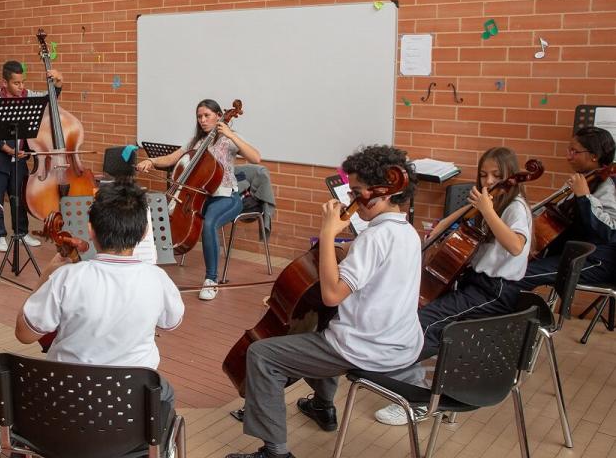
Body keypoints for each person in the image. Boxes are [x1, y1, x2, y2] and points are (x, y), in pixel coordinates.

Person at [226, 145, 421, 458]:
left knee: (262, 355)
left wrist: (327, 234)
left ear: (382, 192)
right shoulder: (408, 232)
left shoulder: (374, 237)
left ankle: (274, 451)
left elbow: (333, 293)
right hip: (400, 343)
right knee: (324, 321)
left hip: (368, 350)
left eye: (356, 191)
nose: (352, 200)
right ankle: (321, 405)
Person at [15, 180, 184, 455]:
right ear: (143, 233)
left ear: (90, 230)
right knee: (165, 393)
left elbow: (24, 334)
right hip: (129, 414)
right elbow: (172, 322)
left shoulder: (65, 279)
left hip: (63, 410)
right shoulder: (158, 279)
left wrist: (46, 277)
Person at [375, 147, 532, 425]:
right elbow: (459, 219)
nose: (488, 181)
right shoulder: (492, 201)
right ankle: (419, 386)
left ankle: (419, 401)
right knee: (413, 315)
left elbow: (516, 245)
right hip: (474, 284)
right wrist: (446, 225)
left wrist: (487, 211)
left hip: (493, 292)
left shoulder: (515, 207)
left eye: (497, 175)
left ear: (511, 176)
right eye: (483, 174)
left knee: (420, 324)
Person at [136, 98, 261, 300]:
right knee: (158, 214)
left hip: (227, 197)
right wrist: (151, 161)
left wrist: (230, 134)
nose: (203, 120)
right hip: (199, 198)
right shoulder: (196, 142)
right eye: (199, 116)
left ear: (219, 116)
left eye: (207, 116)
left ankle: (211, 280)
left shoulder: (229, 139)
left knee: (209, 223)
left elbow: (256, 158)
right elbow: (171, 158)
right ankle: (147, 268)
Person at [515, 126, 616, 290]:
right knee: (510, 268)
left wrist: (584, 197)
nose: (568, 156)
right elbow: (552, 216)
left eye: (574, 151)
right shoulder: (581, 180)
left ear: (594, 156)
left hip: (596, 259)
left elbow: (608, 232)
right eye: (569, 150)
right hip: (570, 254)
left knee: (520, 274)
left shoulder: (609, 185)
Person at [0, 60, 62, 252]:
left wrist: (58, 83)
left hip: (20, 160)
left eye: (23, 82)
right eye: (16, 83)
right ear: (5, 82)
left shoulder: (29, 97)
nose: (21, 86)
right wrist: (7, 149)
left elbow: (49, 99)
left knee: (19, 196)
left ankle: (21, 233)